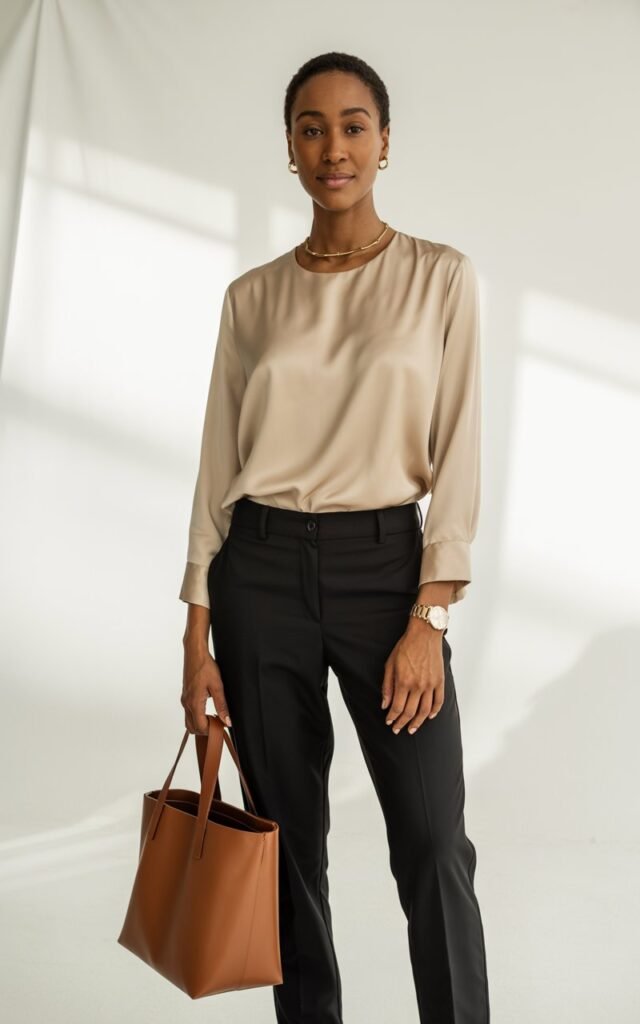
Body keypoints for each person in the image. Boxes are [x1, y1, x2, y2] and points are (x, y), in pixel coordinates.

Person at [179, 50, 490, 1024]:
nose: (333, 147)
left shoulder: (438, 278)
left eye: (354, 125)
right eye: (311, 127)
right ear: (289, 149)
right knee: (286, 848)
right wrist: (196, 634)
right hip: (258, 576)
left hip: (385, 571)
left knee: (433, 841)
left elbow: (460, 454)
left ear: (384, 142)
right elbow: (216, 466)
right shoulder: (252, 298)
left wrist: (428, 616)